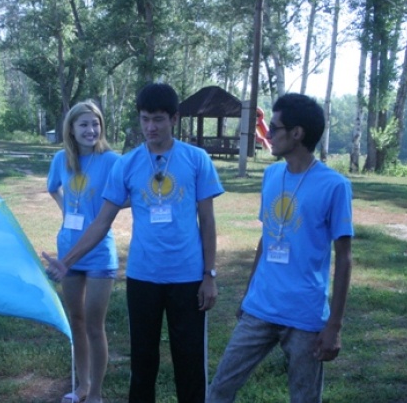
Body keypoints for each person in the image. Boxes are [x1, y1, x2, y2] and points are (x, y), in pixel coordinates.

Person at [46, 82, 224, 403]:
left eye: (158, 119)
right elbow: (101, 222)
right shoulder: (127, 164)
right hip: (143, 277)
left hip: (188, 277)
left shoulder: (196, 159)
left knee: (190, 362)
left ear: (174, 119)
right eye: (145, 119)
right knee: (142, 362)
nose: (150, 127)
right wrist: (67, 261)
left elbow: (208, 222)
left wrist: (209, 275)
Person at [207, 93, 353, 403]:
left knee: (304, 397)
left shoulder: (334, 185)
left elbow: (344, 259)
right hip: (260, 308)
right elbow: (267, 238)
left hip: (305, 315)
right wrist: (248, 294)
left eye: (274, 127)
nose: (269, 133)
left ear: (297, 133)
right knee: (220, 388)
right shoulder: (272, 175)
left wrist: (334, 326)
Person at [47, 100, 120, 403]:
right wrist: (66, 210)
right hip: (67, 250)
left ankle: (96, 394)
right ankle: (82, 386)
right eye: (84, 124)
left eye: (95, 123)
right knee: (76, 320)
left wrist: (104, 212)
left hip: (100, 252)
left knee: (94, 325)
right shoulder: (61, 159)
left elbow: (128, 195)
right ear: (72, 129)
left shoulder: (112, 160)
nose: (91, 130)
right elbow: (53, 187)